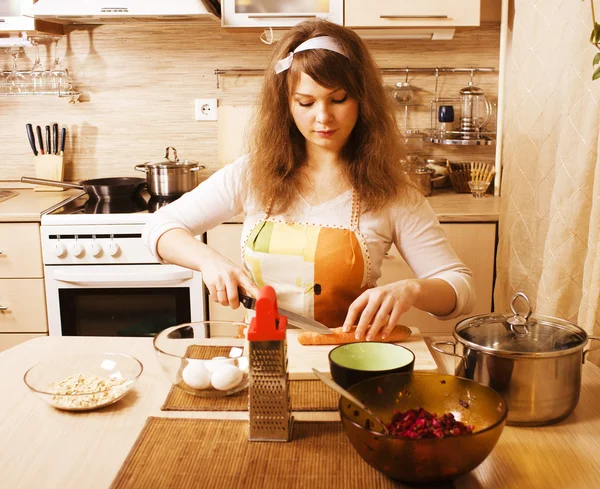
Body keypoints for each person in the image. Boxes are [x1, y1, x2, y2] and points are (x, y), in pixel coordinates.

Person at [143, 19, 475, 341]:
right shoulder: (250, 173)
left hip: (351, 357)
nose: (323, 117)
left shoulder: (392, 191)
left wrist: (412, 289)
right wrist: (209, 260)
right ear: (286, 105)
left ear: (362, 101)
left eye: (338, 99)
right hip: (263, 354)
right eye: (305, 102)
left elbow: (460, 287)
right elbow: (158, 228)